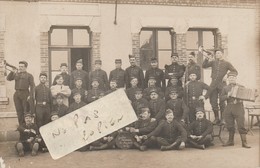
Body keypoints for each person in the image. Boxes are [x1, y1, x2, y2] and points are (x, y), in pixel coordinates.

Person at [220, 72, 256, 148]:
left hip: (239, 107)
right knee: (229, 125)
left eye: (233, 77)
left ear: (235, 78)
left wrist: (254, 95)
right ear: (228, 79)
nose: (231, 79)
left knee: (241, 125)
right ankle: (230, 141)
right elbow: (221, 98)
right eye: (230, 78)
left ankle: (244, 143)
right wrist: (227, 95)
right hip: (229, 107)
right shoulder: (225, 88)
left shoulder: (241, 86)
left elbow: (246, 95)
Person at [202, 48, 238, 125]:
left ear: (222, 54)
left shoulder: (227, 63)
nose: (217, 55)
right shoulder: (213, 62)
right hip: (213, 84)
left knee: (222, 102)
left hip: (222, 85)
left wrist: (227, 75)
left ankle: (223, 119)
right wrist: (207, 58)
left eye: (219, 53)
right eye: (216, 53)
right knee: (213, 102)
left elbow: (235, 71)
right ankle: (216, 118)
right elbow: (204, 66)